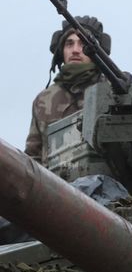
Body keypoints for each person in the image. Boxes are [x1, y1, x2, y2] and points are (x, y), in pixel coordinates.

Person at [25, 16, 111, 165]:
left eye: (83, 44)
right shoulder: (44, 100)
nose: (75, 50)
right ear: (61, 51)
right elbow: (32, 158)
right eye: (69, 44)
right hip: (53, 178)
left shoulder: (113, 92)